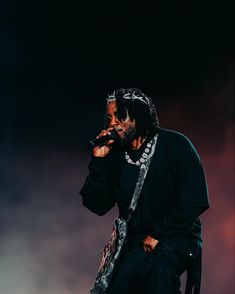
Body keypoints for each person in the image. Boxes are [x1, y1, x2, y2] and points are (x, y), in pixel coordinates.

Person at [80, 88, 209, 294]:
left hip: (176, 234)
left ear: (139, 116)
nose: (113, 122)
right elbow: (96, 205)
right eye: (110, 117)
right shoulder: (115, 155)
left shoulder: (175, 145)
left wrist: (158, 233)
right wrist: (99, 161)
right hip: (135, 242)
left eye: (120, 116)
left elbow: (194, 200)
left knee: (158, 272)